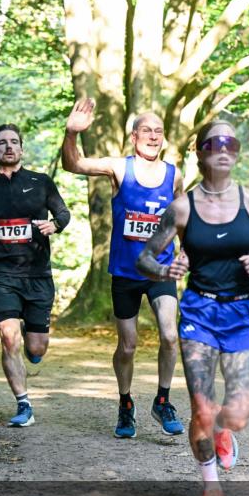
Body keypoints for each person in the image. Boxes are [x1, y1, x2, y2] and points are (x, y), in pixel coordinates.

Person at [136, 120, 249, 496]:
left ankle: (223, 430)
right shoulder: (181, 208)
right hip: (199, 312)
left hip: (244, 312)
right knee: (202, 408)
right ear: (200, 152)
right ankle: (212, 488)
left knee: (237, 414)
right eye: (215, 142)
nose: (224, 148)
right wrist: (164, 271)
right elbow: (145, 258)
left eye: (231, 142)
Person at [62, 98, 186, 439]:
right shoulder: (119, 168)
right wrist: (71, 134)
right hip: (125, 274)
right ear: (134, 136)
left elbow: (183, 218)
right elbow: (73, 165)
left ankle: (163, 401)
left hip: (160, 272)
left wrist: (186, 253)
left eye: (158, 131)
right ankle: (125, 403)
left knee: (170, 335)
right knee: (128, 345)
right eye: (146, 130)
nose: (153, 136)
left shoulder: (174, 174)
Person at [0, 124, 71, 427]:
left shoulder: (41, 182)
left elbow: (63, 213)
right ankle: (24, 404)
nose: (8, 147)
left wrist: (55, 225)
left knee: (36, 349)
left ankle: (30, 335)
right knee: (8, 338)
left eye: (13, 142)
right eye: (2, 143)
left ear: (22, 148)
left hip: (38, 275)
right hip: (3, 274)